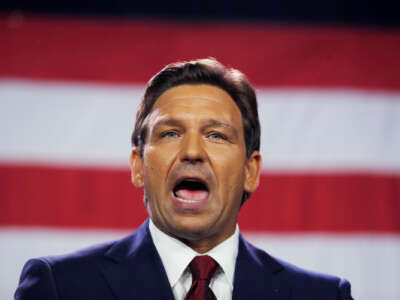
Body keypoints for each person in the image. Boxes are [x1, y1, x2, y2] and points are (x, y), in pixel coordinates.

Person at [15, 58, 353, 300]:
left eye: (217, 135)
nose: (192, 151)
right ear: (138, 166)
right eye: (171, 133)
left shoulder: (323, 295)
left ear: (250, 171)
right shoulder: (60, 287)